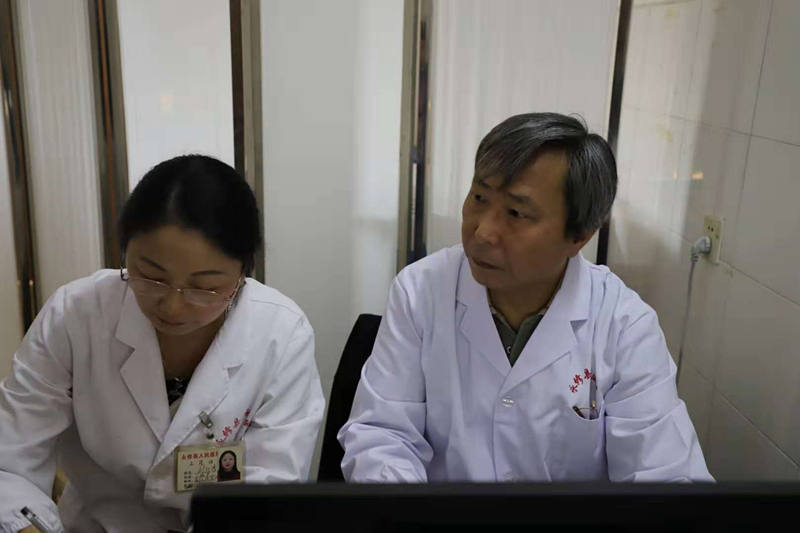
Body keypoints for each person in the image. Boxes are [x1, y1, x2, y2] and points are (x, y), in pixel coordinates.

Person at [339, 113, 712, 483]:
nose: (483, 232)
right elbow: (383, 436)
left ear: (579, 235)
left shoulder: (624, 325)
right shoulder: (421, 291)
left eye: (516, 213)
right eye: (479, 197)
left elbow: (665, 475)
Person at [0, 155, 325, 533]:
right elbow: (11, 463)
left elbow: (268, 490)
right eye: (151, 277)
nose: (172, 306)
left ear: (242, 273)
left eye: (205, 287)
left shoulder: (281, 334)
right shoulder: (76, 315)